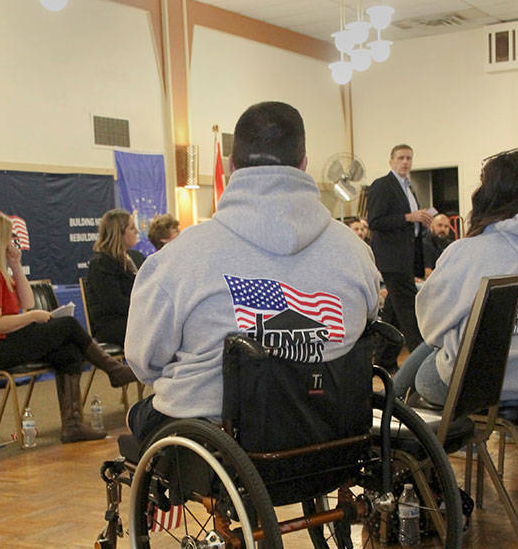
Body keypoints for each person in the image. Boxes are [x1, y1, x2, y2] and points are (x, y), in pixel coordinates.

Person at [124, 100, 381, 439]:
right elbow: (368, 326)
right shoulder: (356, 251)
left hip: (219, 437)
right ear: (304, 164)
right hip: (331, 434)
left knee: (140, 415)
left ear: (231, 165)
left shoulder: (178, 258)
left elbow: (144, 362)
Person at [393, 149, 518, 405]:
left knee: (435, 356)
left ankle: (388, 403)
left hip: (475, 386)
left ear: (486, 195)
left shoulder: (469, 252)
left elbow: (430, 325)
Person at [0, 210, 137, 443]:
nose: (11, 242)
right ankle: (113, 369)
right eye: (8, 236)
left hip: (0, 341)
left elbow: (27, 302)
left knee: (68, 352)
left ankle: (72, 426)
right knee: (67, 325)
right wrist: (32, 318)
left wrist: (15, 264)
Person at [367, 144, 434, 372]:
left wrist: (420, 220)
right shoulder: (382, 185)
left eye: (409, 158)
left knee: (393, 314)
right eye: (401, 158)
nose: (405, 162)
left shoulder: (409, 188)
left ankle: (384, 360)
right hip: (392, 259)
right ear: (391, 161)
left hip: (407, 256)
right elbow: (375, 221)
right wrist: (408, 217)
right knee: (409, 311)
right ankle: (422, 364)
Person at [86, 208, 140, 347]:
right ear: (118, 233)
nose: (137, 232)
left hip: (135, 318)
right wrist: (144, 308)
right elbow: (114, 302)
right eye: (132, 228)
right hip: (112, 324)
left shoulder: (136, 257)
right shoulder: (101, 263)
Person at [422, 212, 454, 276]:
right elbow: (427, 274)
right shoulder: (424, 244)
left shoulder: (450, 245)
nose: (443, 229)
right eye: (439, 225)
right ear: (431, 227)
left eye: (446, 226)